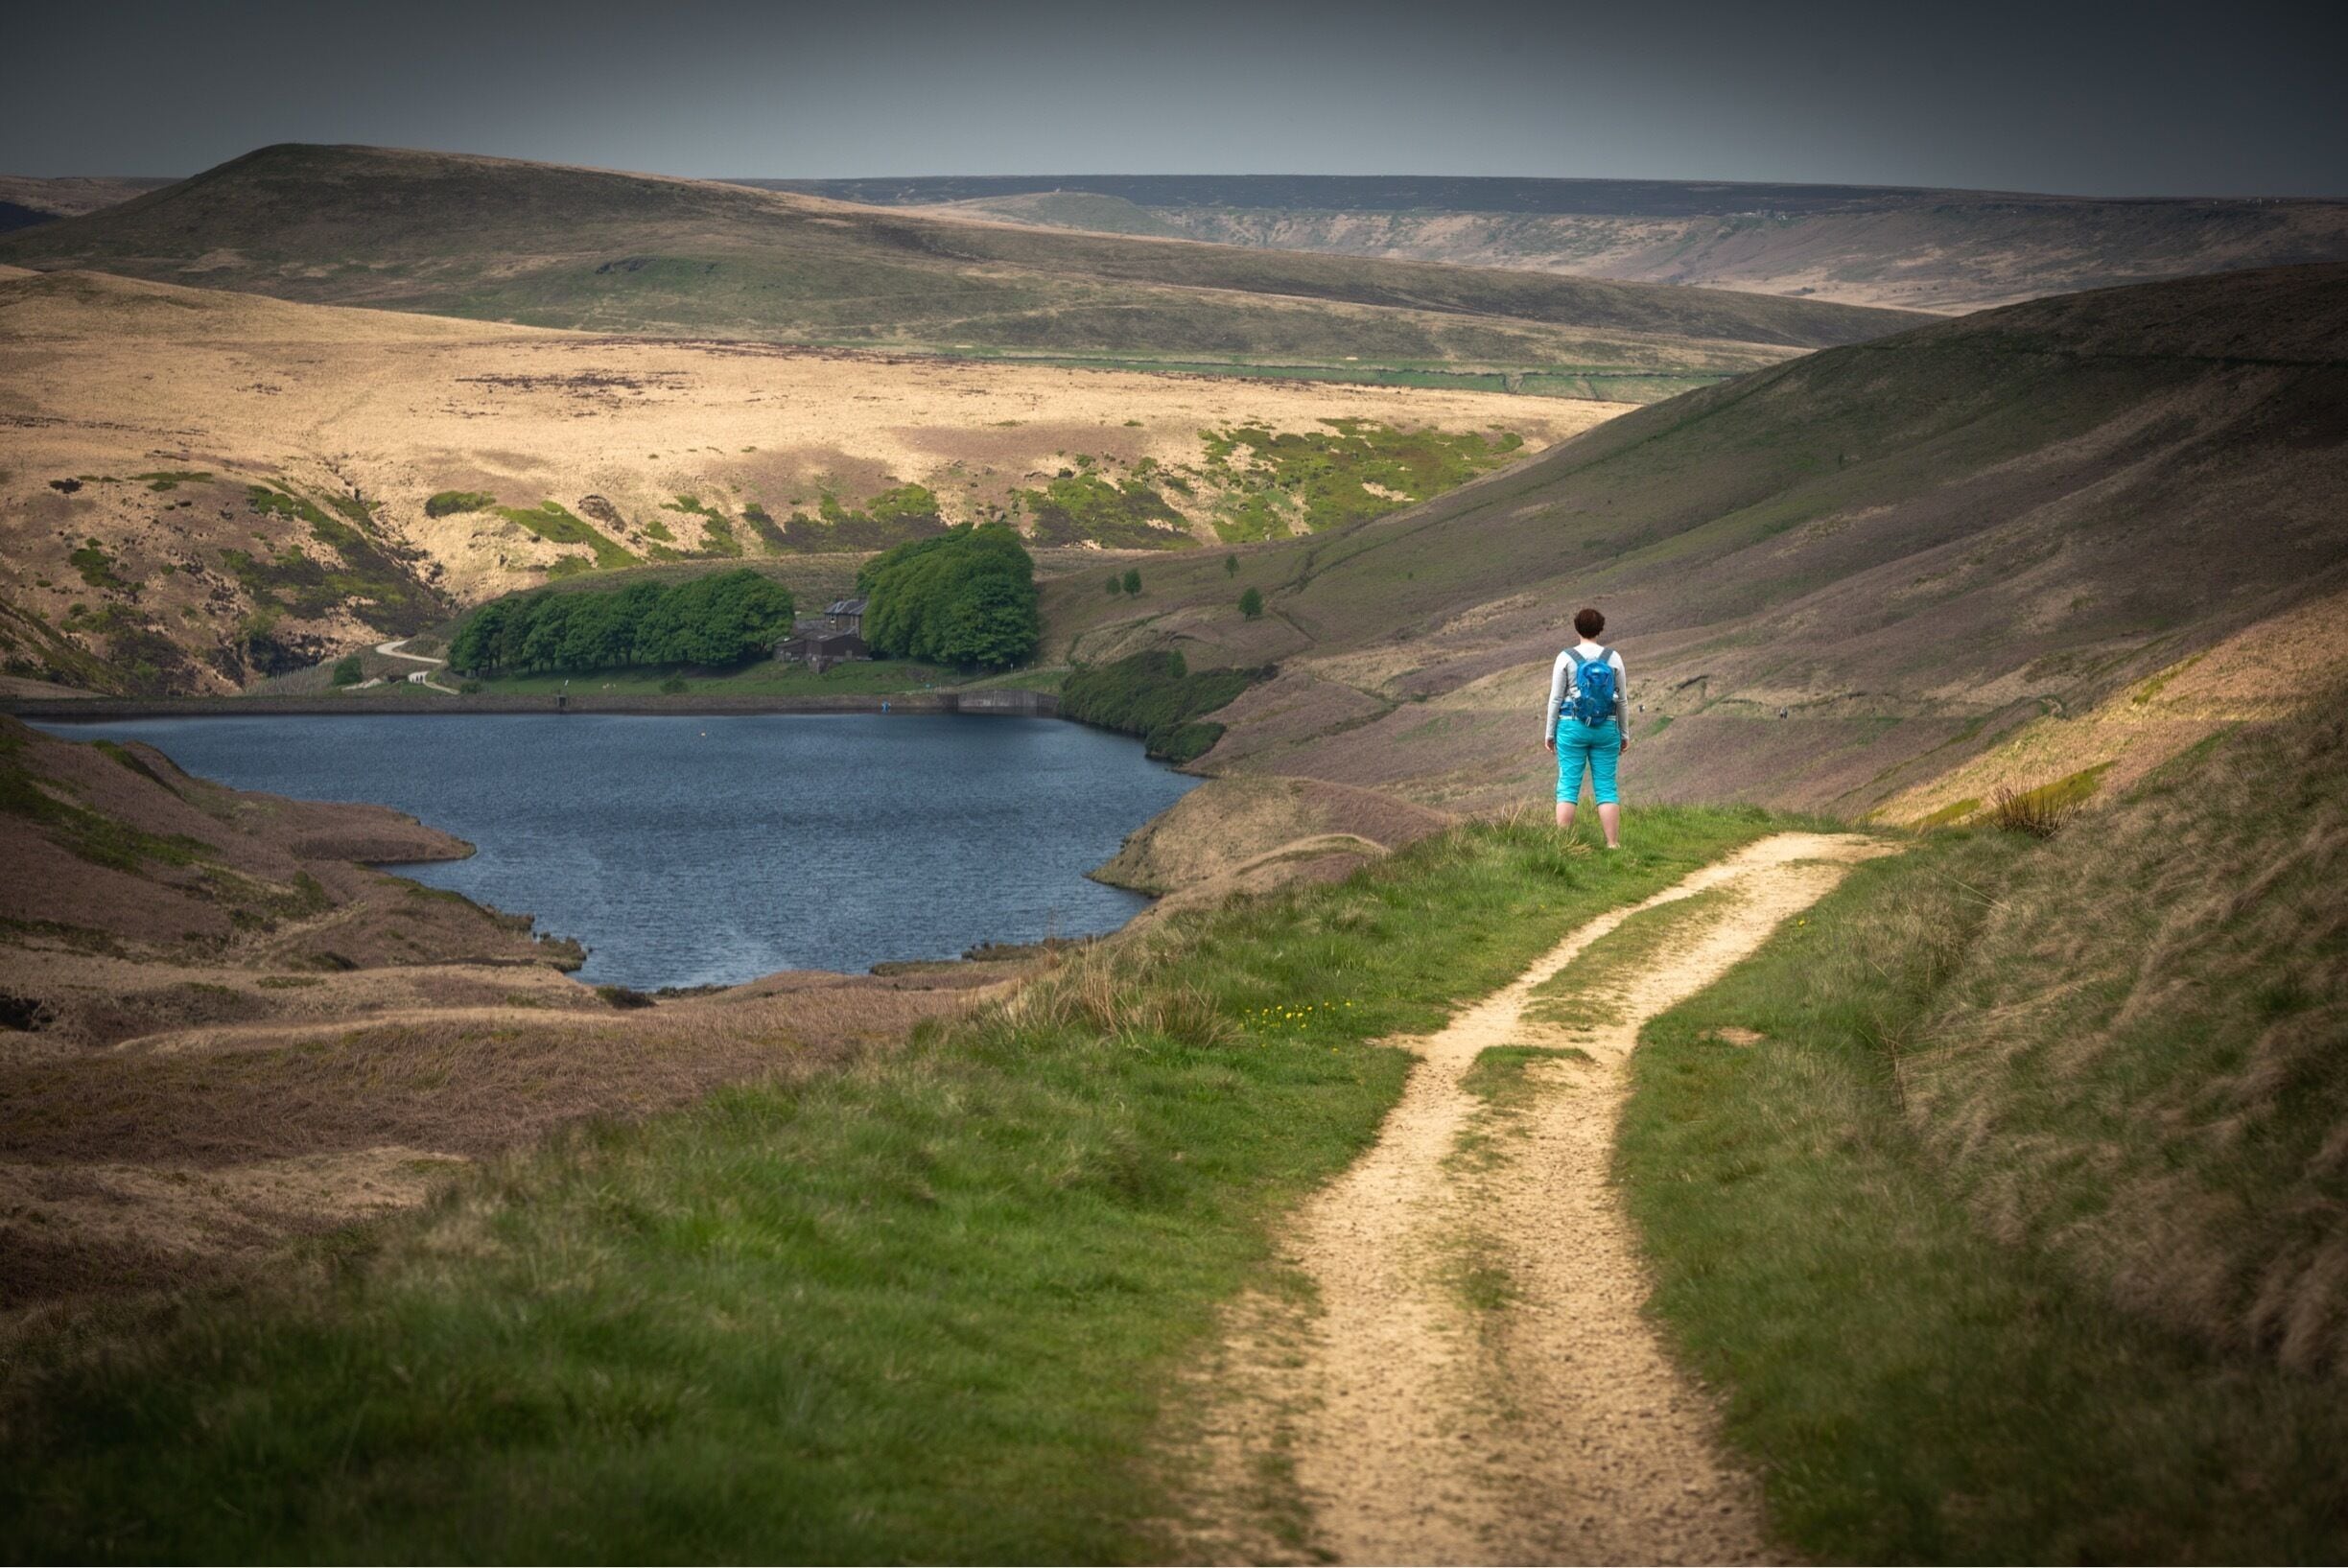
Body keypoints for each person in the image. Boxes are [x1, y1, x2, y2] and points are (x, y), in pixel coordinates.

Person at [1542, 605, 1629, 848]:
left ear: (1577, 628)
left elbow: (1556, 699)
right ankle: (1613, 844)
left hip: (1571, 727)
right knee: (1606, 788)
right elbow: (1621, 699)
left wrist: (1550, 733)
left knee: (1568, 785)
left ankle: (1563, 845)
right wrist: (1624, 733)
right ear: (1600, 629)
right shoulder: (1613, 658)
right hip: (1607, 729)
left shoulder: (1565, 658)